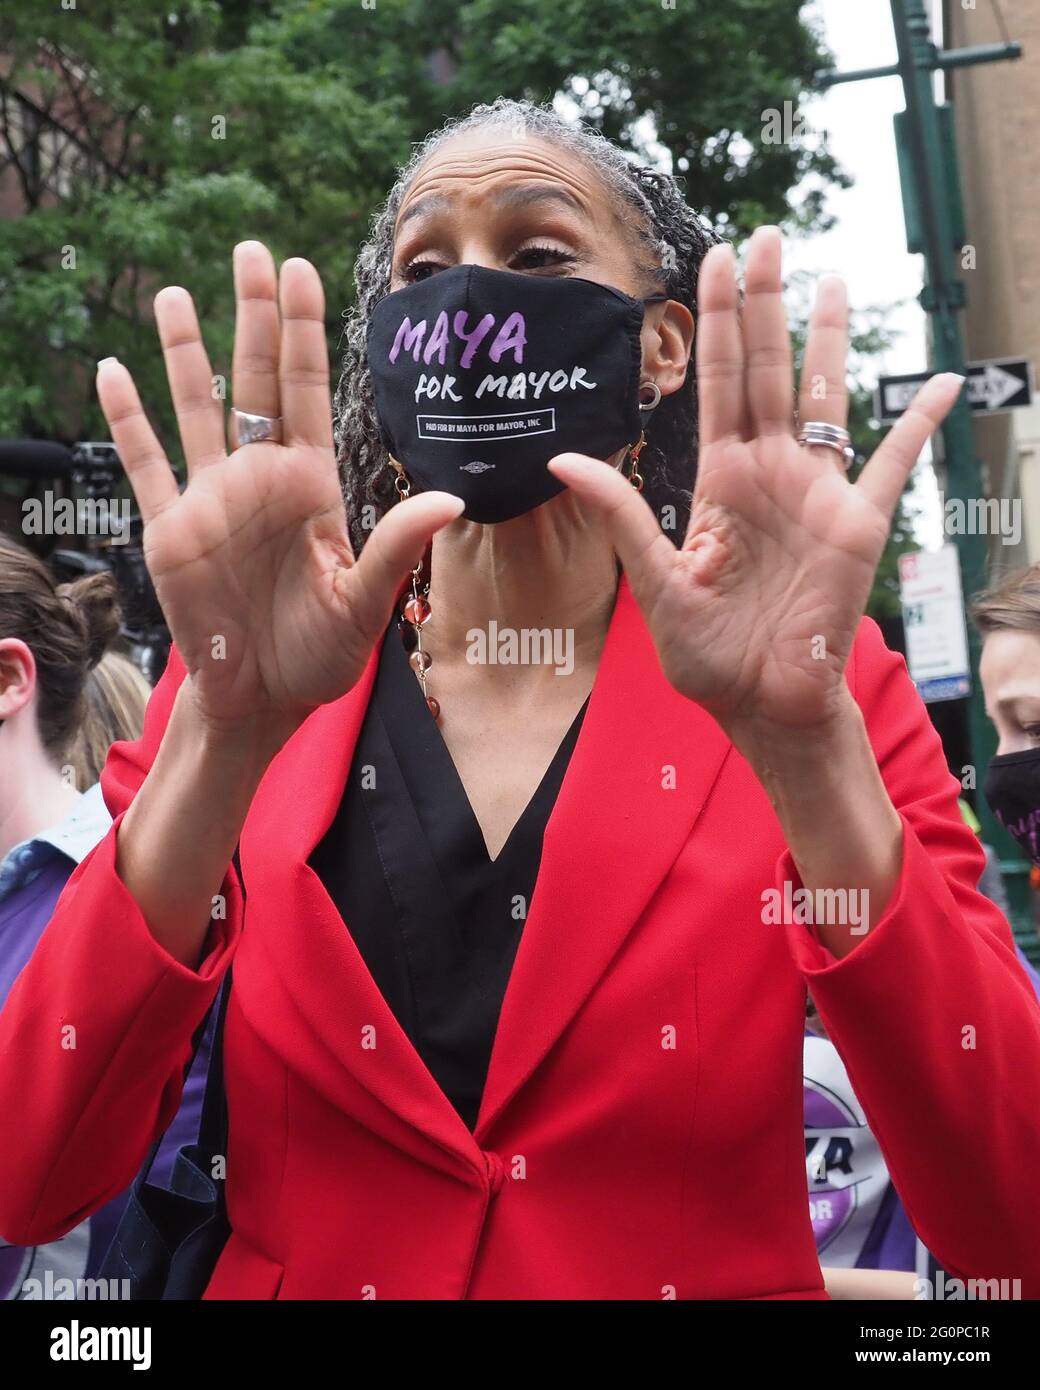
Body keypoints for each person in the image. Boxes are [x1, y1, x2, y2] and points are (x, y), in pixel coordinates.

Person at [2, 96, 1040, 1301]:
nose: (469, 301)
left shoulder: (819, 686)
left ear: (660, 347)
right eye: (423, 266)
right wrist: (224, 738)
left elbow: (1004, 1204)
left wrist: (803, 750)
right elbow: (33, 1170)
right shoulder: (247, 682)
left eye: (538, 254)